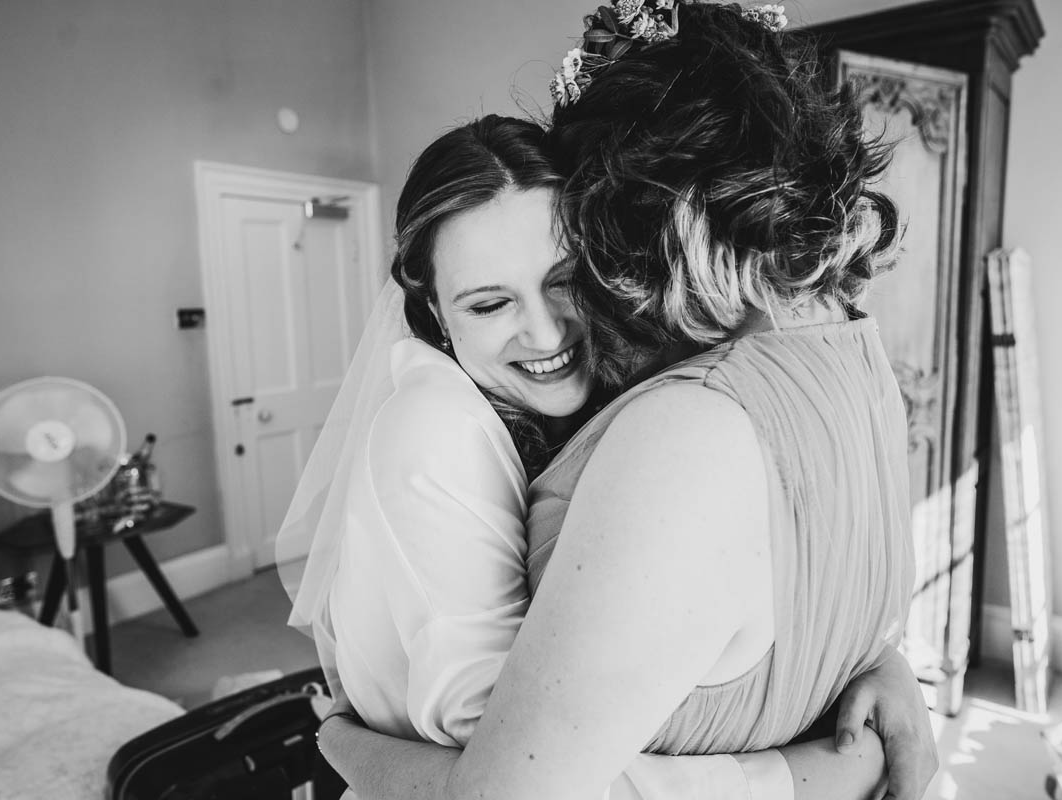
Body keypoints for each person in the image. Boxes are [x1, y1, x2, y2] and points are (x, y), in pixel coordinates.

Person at [314, 2, 938, 799]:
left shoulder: (686, 425)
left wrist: (877, 675)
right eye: (485, 302)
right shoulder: (857, 358)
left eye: (574, 271)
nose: (552, 327)